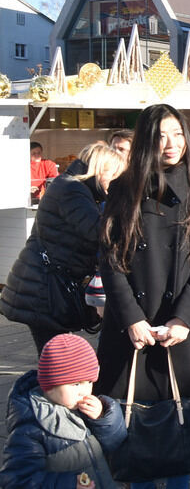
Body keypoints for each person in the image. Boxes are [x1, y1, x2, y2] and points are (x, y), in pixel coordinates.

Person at [96, 104, 190, 489]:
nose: (172, 144)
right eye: (162, 135)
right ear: (148, 139)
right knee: (135, 432)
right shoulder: (123, 188)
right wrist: (131, 317)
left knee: (180, 434)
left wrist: (183, 318)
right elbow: (111, 259)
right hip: (134, 323)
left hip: (181, 325)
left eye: (179, 134)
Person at [2, 144, 126, 352]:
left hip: (44, 286)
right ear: (99, 169)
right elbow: (97, 231)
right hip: (44, 289)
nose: (115, 182)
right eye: (114, 175)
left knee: (54, 358)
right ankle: (37, 386)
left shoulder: (73, 187)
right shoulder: (71, 189)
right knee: (55, 363)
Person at [0, 334, 127, 488]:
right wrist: (68, 483)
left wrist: (102, 417)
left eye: (89, 382)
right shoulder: (31, 428)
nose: (84, 391)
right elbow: (16, 480)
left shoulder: (82, 408)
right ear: (50, 385)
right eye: (75, 384)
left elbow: (115, 443)